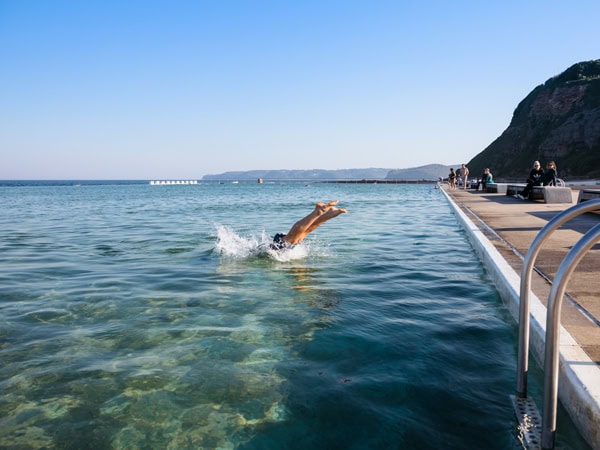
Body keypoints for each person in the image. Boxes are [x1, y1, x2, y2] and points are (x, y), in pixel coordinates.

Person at [270, 200, 347, 250]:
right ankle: (329, 214)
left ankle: (318, 213)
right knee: (303, 233)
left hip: (276, 248)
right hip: (280, 248)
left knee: (292, 238)